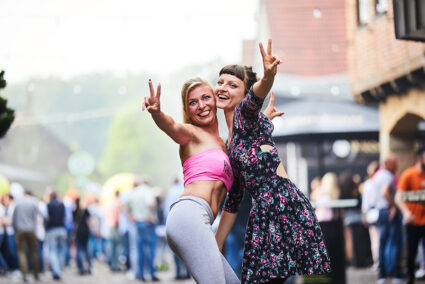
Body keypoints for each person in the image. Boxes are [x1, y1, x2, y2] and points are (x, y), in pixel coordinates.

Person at [214, 39, 331, 284]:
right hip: (263, 212)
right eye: (220, 82)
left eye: (232, 84)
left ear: (245, 94)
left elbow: (256, 98)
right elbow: (233, 200)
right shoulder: (230, 142)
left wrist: (268, 76)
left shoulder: (245, 116)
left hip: (281, 206)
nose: (222, 87)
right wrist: (216, 244)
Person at [143, 77, 240, 284]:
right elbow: (172, 127)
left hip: (201, 221)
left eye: (206, 98)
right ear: (187, 110)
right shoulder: (191, 134)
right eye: (193, 102)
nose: (201, 105)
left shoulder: (223, 144)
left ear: (215, 99)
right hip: (189, 216)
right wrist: (157, 113)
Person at [395, 149, 425, 284]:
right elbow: (398, 197)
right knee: (411, 253)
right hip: (412, 222)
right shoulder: (409, 174)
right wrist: (406, 213)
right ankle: (410, 278)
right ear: (420, 159)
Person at [373, 155, 404, 284]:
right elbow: (385, 192)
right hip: (388, 212)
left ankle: (382, 274)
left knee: (383, 243)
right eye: (395, 163)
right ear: (388, 164)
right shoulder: (387, 176)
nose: (397, 166)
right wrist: (392, 205)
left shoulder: (378, 176)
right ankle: (395, 273)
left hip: (381, 212)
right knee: (394, 243)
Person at [124, 178, 159, 282]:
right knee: (150, 249)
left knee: (139, 249)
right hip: (148, 223)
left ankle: (141, 274)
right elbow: (150, 204)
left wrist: (131, 216)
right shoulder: (147, 190)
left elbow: (125, 205)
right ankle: (152, 273)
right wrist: (151, 216)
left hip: (137, 222)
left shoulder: (133, 192)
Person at [163, 178, 190, 280]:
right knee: (186, 249)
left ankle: (178, 273)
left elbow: (167, 209)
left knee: (175, 248)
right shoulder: (185, 189)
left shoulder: (171, 191)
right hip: (186, 222)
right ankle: (187, 273)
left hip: (174, 222)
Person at [12, 190, 41, 282]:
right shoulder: (33, 203)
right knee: (33, 252)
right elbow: (41, 215)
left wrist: (16, 229)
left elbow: (14, 218)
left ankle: (24, 274)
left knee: (21, 253)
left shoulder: (18, 204)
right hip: (31, 230)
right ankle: (36, 273)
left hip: (20, 230)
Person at [361, 160, 380, 271]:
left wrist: (365, 215)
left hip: (372, 213)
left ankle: (377, 262)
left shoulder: (368, 184)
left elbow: (365, 203)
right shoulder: (380, 181)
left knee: (375, 239)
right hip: (380, 212)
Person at [45, 191, 67, 280]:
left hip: (52, 230)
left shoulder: (48, 205)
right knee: (61, 251)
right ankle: (59, 268)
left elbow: (46, 217)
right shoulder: (62, 205)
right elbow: (65, 217)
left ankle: (57, 271)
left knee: (53, 251)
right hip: (62, 229)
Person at [73, 197, 92, 275]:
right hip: (85, 232)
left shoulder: (74, 212)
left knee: (80, 250)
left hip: (78, 232)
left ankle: (81, 268)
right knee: (86, 249)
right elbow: (90, 221)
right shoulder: (85, 211)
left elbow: (74, 223)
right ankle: (88, 266)